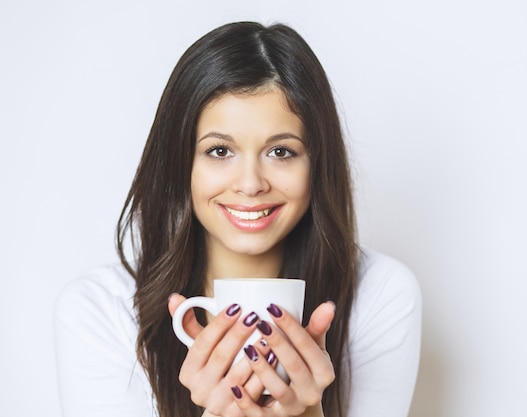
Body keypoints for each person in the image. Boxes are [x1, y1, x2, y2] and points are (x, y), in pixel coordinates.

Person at [54, 21, 421, 417]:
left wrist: (308, 414)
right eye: (219, 151)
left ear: (318, 164)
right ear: (182, 163)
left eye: (281, 152)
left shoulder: (380, 295)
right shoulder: (99, 312)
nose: (250, 184)